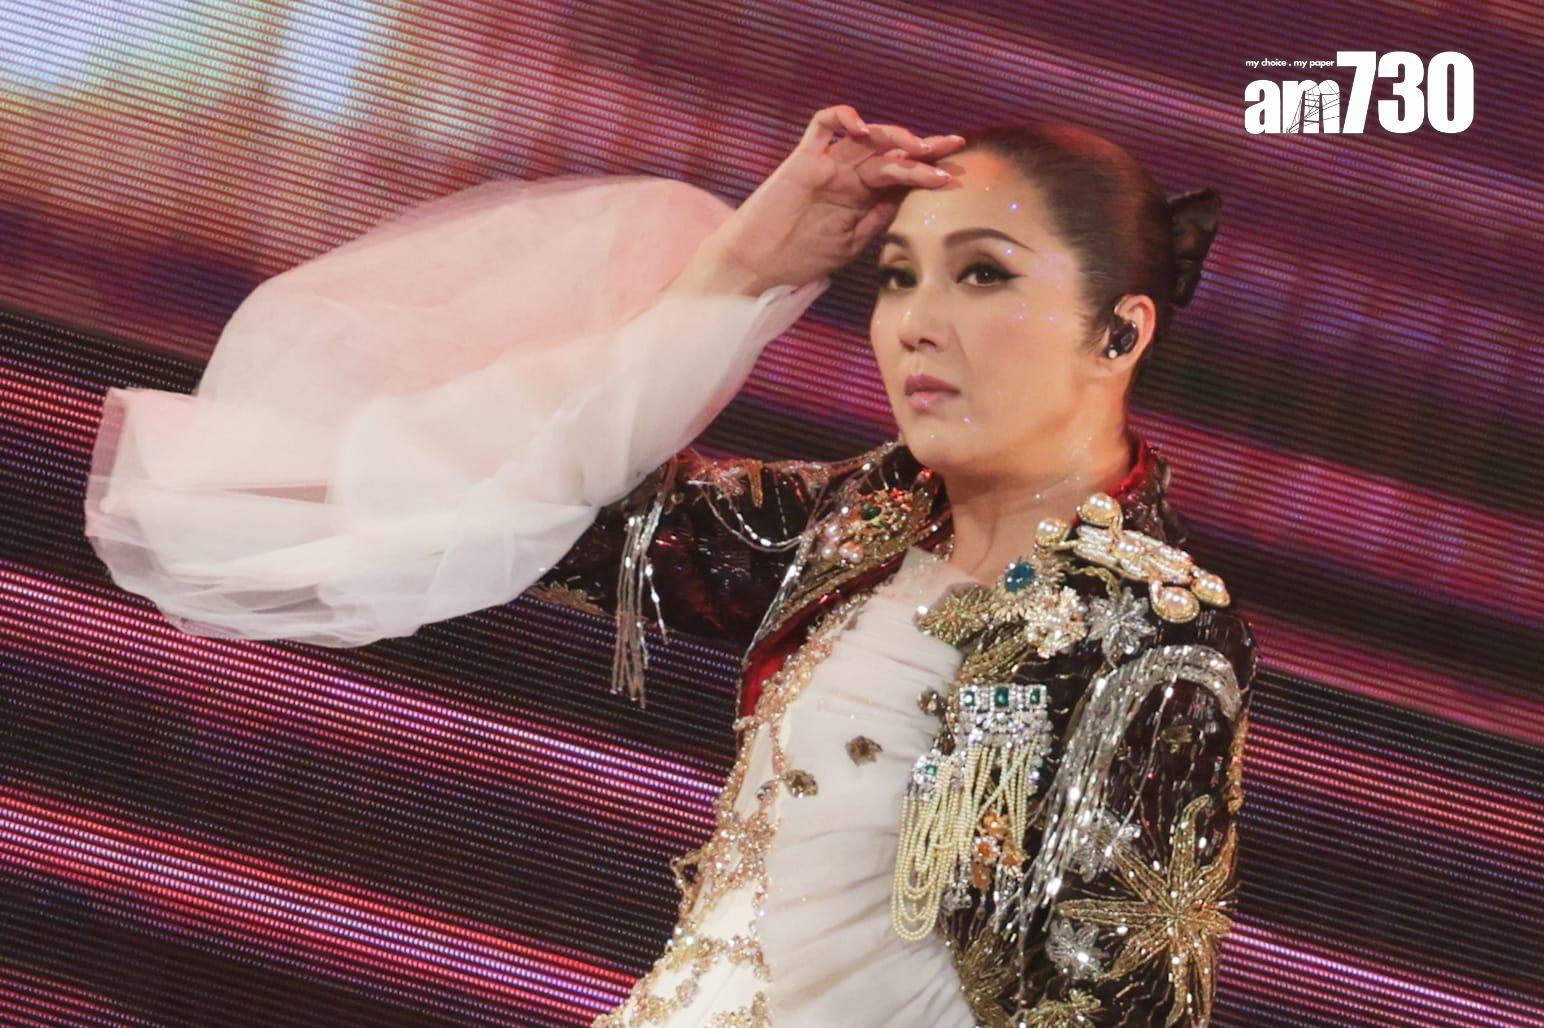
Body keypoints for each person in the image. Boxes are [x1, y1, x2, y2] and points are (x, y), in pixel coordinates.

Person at [83, 105, 1258, 1026]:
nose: (914, 320)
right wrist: (742, 266)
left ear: (1118, 331)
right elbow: (529, 502)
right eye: (898, 274)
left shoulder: (1146, 628)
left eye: (983, 273)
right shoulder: (856, 520)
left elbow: (1112, 999)